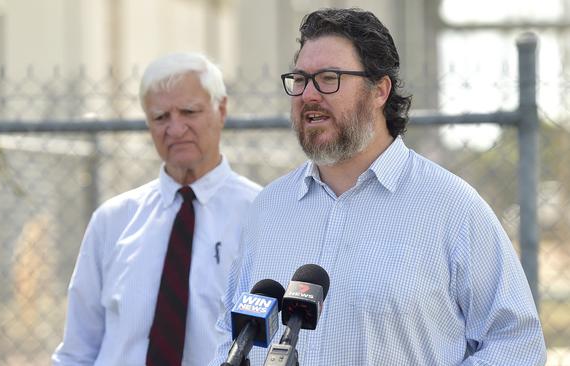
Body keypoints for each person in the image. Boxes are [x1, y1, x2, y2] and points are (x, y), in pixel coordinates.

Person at [210, 7, 546, 365]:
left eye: (328, 78)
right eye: (300, 79)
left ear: (379, 90)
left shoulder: (451, 208)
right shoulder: (268, 208)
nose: (308, 94)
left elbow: (517, 344)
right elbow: (227, 335)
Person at [52, 52, 261, 366]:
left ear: (222, 110)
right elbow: (77, 350)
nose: (175, 129)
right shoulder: (113, 221)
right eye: (161, 117)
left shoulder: (262, 216)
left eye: (189, 111)